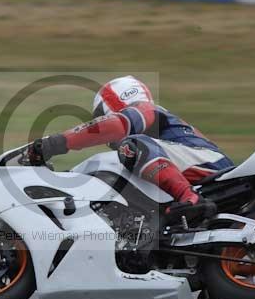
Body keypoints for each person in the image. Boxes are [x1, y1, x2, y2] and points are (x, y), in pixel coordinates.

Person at [28, 75, 234, 223]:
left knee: (132, 146)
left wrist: (53, 143)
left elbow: (115, 126)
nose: (98, 120)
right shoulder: (150, 153)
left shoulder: (145, 110)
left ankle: (190, 198)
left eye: (100, 114)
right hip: (192, 169)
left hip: (210, 166)